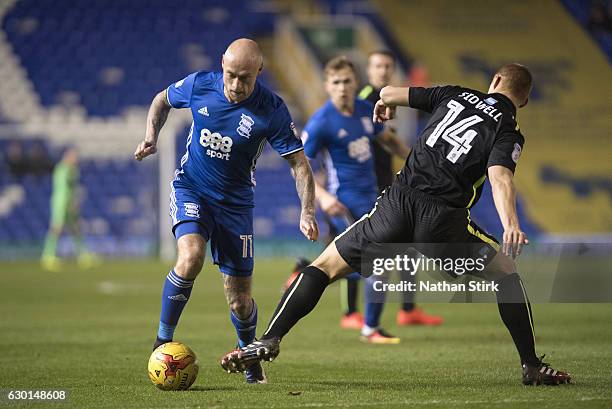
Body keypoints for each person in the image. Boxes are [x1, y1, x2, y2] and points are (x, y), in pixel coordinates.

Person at [221, 63, 572, 386]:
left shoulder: (454, 93)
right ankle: (530, 365)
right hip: (442, 224)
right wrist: (511, 223)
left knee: (324, 267)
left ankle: (270, 338)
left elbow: (388, 92)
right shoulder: (508, 129)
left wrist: (384, 104)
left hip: (396, 205)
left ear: (494, 80)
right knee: (506, 274)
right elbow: (499, 178)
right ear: (523, 100)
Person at [134, 38, 318, 384]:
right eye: (231, 75)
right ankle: (162, 340)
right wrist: (151, 136)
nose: (236, 85)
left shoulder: (272, 110)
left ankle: (249, 357)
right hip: (192, 188)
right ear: (222, 64)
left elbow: (299, 164)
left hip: (235, 206)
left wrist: (307, 211)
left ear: (259, 72)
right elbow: (162, 100)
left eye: (245, 78)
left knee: (239, 301)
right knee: (190, 257)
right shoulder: (201, 84)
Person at [302, 55, 410, 343]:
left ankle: (306, 275)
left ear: (355, 82)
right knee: (379, 262)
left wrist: (416, 160)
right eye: (336, 82)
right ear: (327, 85)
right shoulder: (320, 123)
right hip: (343, 202)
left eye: (347, 81)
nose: (342, 87)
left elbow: (387, 139)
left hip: (372, 198)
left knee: (359, 264)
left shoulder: (365, 109)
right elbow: (301, 165)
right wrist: (322, 198)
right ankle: (370, 328)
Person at [355, 50, 443, 327]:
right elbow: (376, 139)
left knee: (402, 246)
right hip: (365, 183)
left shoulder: (383, 98)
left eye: (387, 66)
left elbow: (388, 139)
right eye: (378, 66)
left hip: (384, 179)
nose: (383, 71)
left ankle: (407, 308)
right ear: (369, 70)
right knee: (367, 249)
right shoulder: (364, 99)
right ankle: (305, 274)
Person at [41, 147, 96, 271]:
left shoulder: (74, 170)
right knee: (57, 228)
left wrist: (74, 201)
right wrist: (69, 202)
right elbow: (63, 188)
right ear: (67, 157)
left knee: (75, 229)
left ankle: (83, 256)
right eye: (74, 157)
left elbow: (73, 189)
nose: (76, 159)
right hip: (61, 203)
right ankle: (48, 256)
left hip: (69, 202)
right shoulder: (62, 169)